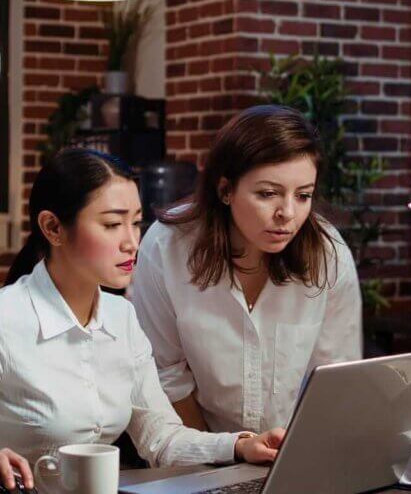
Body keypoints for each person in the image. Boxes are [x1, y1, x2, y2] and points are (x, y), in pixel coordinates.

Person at [0, 148, 285, 494]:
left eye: (135, 222)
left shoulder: (122, 317)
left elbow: (160, 438)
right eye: (112, 224)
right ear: (53, 228)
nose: (132, 241)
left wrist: (240, 445)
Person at [130, 105, 363, 434]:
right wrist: (221, 456)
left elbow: (336, 376)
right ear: (226, 189)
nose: (288, 213)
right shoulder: (166, 247)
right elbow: (165, 376)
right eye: (268, 194)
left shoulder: (328, 253)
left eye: (303, 195)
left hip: (293, 454)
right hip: (195, 454)